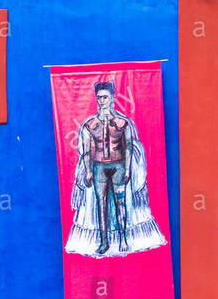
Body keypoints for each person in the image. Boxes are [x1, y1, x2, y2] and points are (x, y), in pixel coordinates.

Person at [66, 80, 166, 257]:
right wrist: (88, 171)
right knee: (101, 205)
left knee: (121, 203)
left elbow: (128, 146)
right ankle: (104, 242)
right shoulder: (89, 124)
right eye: (99, 98)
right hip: (98, 168)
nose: (101, 101)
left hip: (118, 166)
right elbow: (87, 150)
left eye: (105, 97)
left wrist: (128, 170)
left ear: (112, 98)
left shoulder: (122, 122)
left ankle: (123, 238)